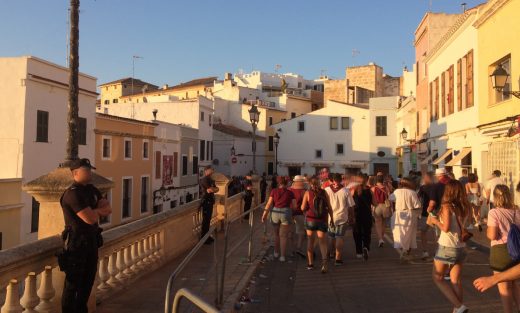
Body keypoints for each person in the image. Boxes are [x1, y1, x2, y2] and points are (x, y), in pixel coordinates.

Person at [59, 158, 111, 313]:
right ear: (76, 173)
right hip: (77, 245)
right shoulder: (72, 194)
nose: (90, 173)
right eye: (86, 170)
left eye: (90, 170)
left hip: (92, 243)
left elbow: (108, 208)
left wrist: (95, 211)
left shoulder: (91, 189)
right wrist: (97, 212)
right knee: (72, 286)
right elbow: (90, 218)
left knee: (88, 282)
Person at [427, 180, 471, 313]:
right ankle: (457, 309)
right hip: (461, 246)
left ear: (449, 191)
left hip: (447, 246)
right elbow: (467, 223)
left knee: (437, 277)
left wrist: (435, 221)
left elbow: (445, 228)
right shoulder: (465, 206)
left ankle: (459, 306)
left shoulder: (447, 206)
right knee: (455, 281)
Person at [486, 185, 520, 313]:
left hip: (501, 252)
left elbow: (492, 235)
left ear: (495, 197)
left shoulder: (494, 212)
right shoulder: (517, 211)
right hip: (516, 252)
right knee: (515, 283)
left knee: (505, 287)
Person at [301, 176, 334, 273]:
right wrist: (331, 219)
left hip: (311, 220)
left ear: (310, 184)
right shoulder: (324, 192)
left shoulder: (307, 193)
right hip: (322, 220)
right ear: (319, 183)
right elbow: (329, 207)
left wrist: (307, 209)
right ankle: (324, 263)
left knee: (310, 241)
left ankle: (310, 264)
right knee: (322, 242)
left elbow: (302, 208)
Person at [262, 176, 296, 262]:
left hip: (275, 212)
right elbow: (295, 206)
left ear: (278, 183)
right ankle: (282, 256)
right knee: (283, 236)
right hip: (286, 212)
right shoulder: (290, 193)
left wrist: (264, 215)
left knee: (276, 234)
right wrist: (291, 214)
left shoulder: (274, 191)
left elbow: (269, 203)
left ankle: (276, 252)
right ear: (287, 183)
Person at [325, 173, 355, 266]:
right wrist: (352, 217)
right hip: (342, 217)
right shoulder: (346, 191)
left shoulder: (326, 190)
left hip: (330, 217)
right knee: (339, 237)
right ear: (341, 180)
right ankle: (338, 259)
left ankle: (330, 253)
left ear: (332, 180)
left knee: (331, 237)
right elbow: (351, 206)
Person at [389, 177, 422, 260]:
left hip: (398, 214)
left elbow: (391, 198)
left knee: (400, 232)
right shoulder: (412, 193)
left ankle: (403, 250)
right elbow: (417, 205)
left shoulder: (397, 191)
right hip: (409, 214)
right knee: (410, 234)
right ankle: (406, 251)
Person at [353, 174, 374, 261]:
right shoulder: (370, 190)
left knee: (357, 233)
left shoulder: (353, 190)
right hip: (367, 214)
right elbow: (375, 203)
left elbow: (350, 204)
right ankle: (366, 247)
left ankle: (359, 252)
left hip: (356, 215)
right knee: (367, 233)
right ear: (367, 180)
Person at [200, 166, 219, 244]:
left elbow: (216, 189)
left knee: (208, 220)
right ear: (206, 171)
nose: (213, 171)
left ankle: (207, 236)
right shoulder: (204, 180)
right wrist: (213, 189)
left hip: (210, 201)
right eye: (211, 169)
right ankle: (204, 238)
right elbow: (210, 189)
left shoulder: (211, 180)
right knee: (205, 220)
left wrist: (213, 189)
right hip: (206, 202)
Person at [418, 171, 435, 259]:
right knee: (435, 233)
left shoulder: (423, 188)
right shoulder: (438, 187)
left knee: (423, 232)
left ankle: (425, 251)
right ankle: (437, 251)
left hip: (425, 212)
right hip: (436, 212)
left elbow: (418, 198)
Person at [289, 175, 307, 258]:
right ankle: (298, 248)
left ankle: (292, 249)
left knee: (291, 232)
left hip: (290, 213)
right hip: (300, 213)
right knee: (301, 232)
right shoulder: (303, 191)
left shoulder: (289, 189)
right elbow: (305, 204)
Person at [372, 175, 391, 247]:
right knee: (383, 224)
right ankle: (382, 238)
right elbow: (389, 198)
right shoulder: (386, 188)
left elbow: (372, 198)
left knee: (377, 224)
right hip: (385, 206)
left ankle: (380, 239)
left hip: (377, 206)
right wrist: (391, 208)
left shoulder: (373, 188)